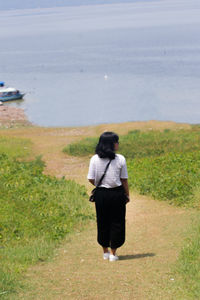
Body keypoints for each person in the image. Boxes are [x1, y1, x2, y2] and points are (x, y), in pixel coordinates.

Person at [87, 131, 129, 262]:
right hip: (117, 193)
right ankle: (113, 253)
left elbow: (90, 178)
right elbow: (124, 179)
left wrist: (100, 185)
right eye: (116, 142)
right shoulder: (120, 159)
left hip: (101, 194)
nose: (118, 144)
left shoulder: (94, 159)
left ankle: (105, 251)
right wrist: (127, 194)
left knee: (102, 221)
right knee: (117, 222)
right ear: (111, 144)